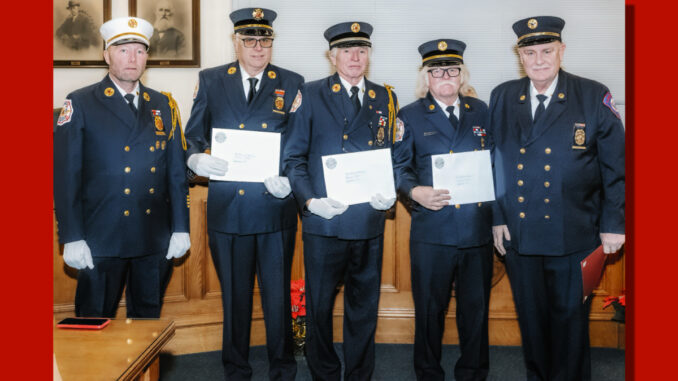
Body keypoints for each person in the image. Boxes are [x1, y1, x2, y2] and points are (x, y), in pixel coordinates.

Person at [489, 16, 625, 381]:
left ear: (561, 51)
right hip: (520, 233)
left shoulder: (593, 94)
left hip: (575, 233)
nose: (538, 60)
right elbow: (495, 163)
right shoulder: (503, 96)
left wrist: (613, 225)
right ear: (520, 57)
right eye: (529, 52)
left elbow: (616, 168)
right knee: (531, 322)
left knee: (569, 323)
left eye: (546, 50)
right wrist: (498, 216)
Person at [183, 7, 303, 381]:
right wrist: (194, 160)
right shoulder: (212, 79)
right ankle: (236, 368)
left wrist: (289, 178)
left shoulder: (293, 82)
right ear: (235, 42)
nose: (257, 47)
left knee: (277, 298)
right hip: (228, 210)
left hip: (274, 207)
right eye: (249, 39)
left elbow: (300, 142)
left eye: (264, 40)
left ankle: (283, 367)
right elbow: (194, 134)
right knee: (234, 297)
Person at [53, 17, 191, 318]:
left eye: (140, 51)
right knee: (94, 325)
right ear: (107, 55)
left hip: (153, 236)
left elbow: (176, 173)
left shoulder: (163, 105)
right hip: (100, 238)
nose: (132, 58)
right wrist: (71, 236)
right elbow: (66, 177)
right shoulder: (81, 102)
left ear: (147, 58)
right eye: (123, 50)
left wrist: (180, 228)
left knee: (147, 325)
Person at [283, 21, 398, 381]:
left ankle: (360, 374)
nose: (355, 57)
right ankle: (326, 373)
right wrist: (310, 201)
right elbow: (293, 158)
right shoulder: (310, 93)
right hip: (324, 222)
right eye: (347, 50)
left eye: (362, 50)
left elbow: (395, 155)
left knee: (363, 308)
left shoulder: (385, 97)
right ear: (332, 56)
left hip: (368, 222)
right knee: (319, 307)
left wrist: (390, 194)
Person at [392, 39, 494, 381]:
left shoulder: (482, 111)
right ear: (426, 77)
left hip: (476, 228)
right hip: (432, 230)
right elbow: (398, 168)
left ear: (462, 74)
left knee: (475, 312)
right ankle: (428, 373)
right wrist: (414, 190)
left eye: (452, 69)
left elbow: (499, 164)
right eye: (437, 71)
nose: (445, 76)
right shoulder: (409, 115)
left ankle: (473, 373)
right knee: (429, 311)